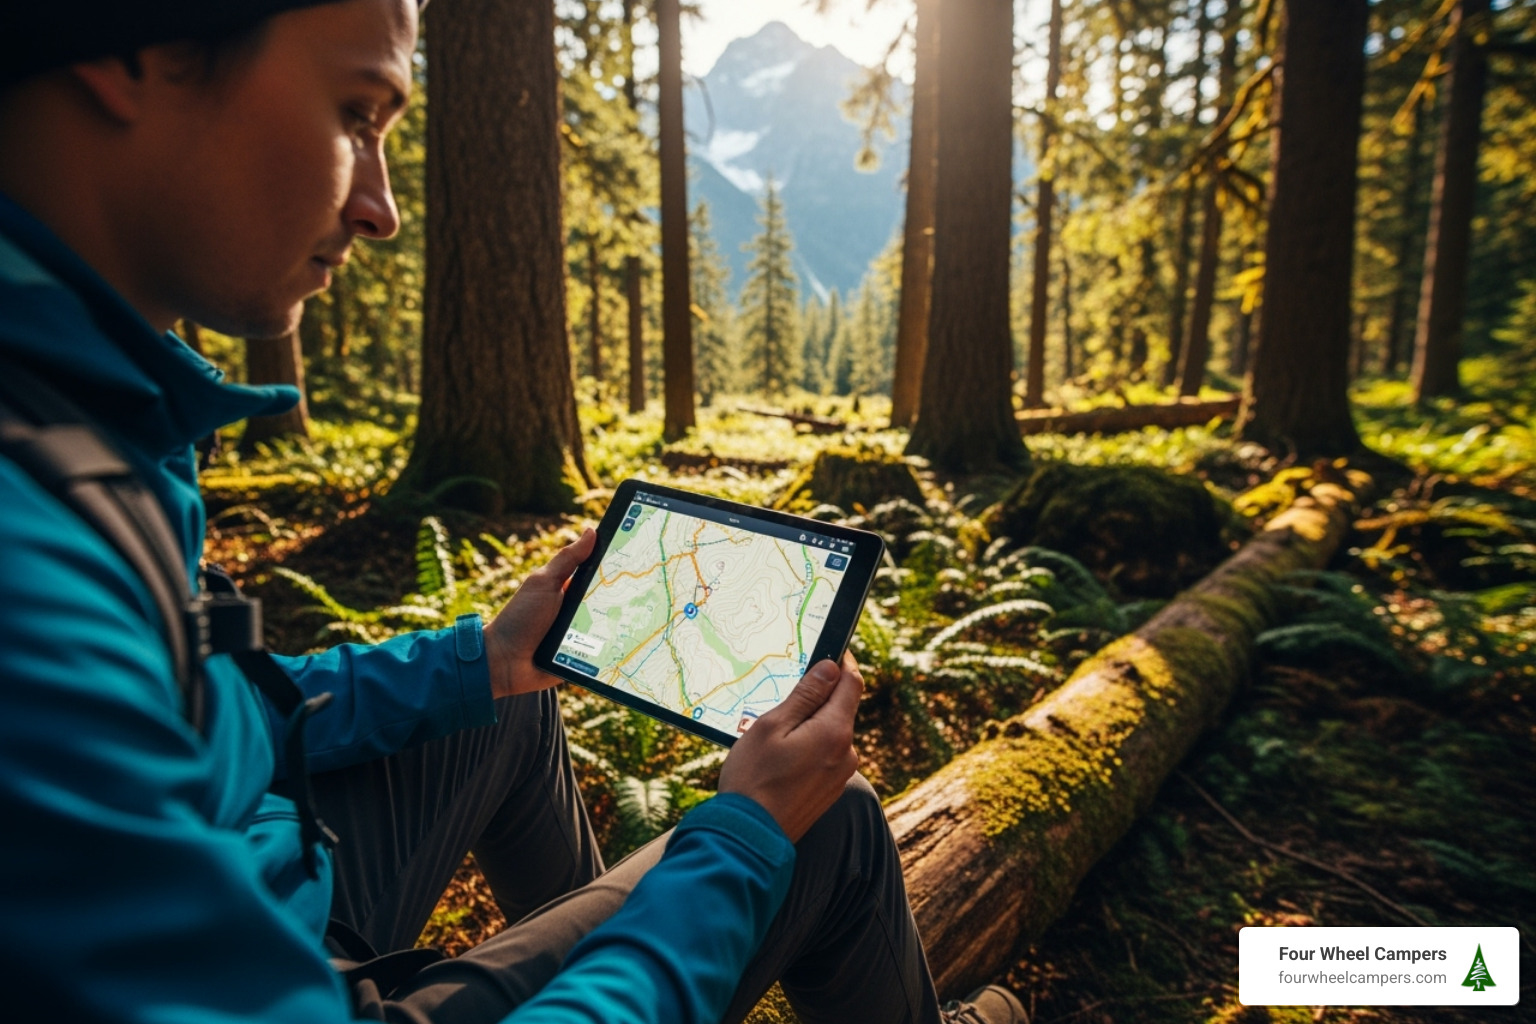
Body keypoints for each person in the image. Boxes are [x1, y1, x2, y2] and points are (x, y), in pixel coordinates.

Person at [0, 2, 1028, 1022]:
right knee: (827, 824)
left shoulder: (77, 410)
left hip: (277, 881)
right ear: (134, 47)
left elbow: (207, 711)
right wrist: (744, 834)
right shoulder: (33, 567)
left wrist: (481, 661)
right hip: (306, 970)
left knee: (511, 696)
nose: (381, 209)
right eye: (358, 113)